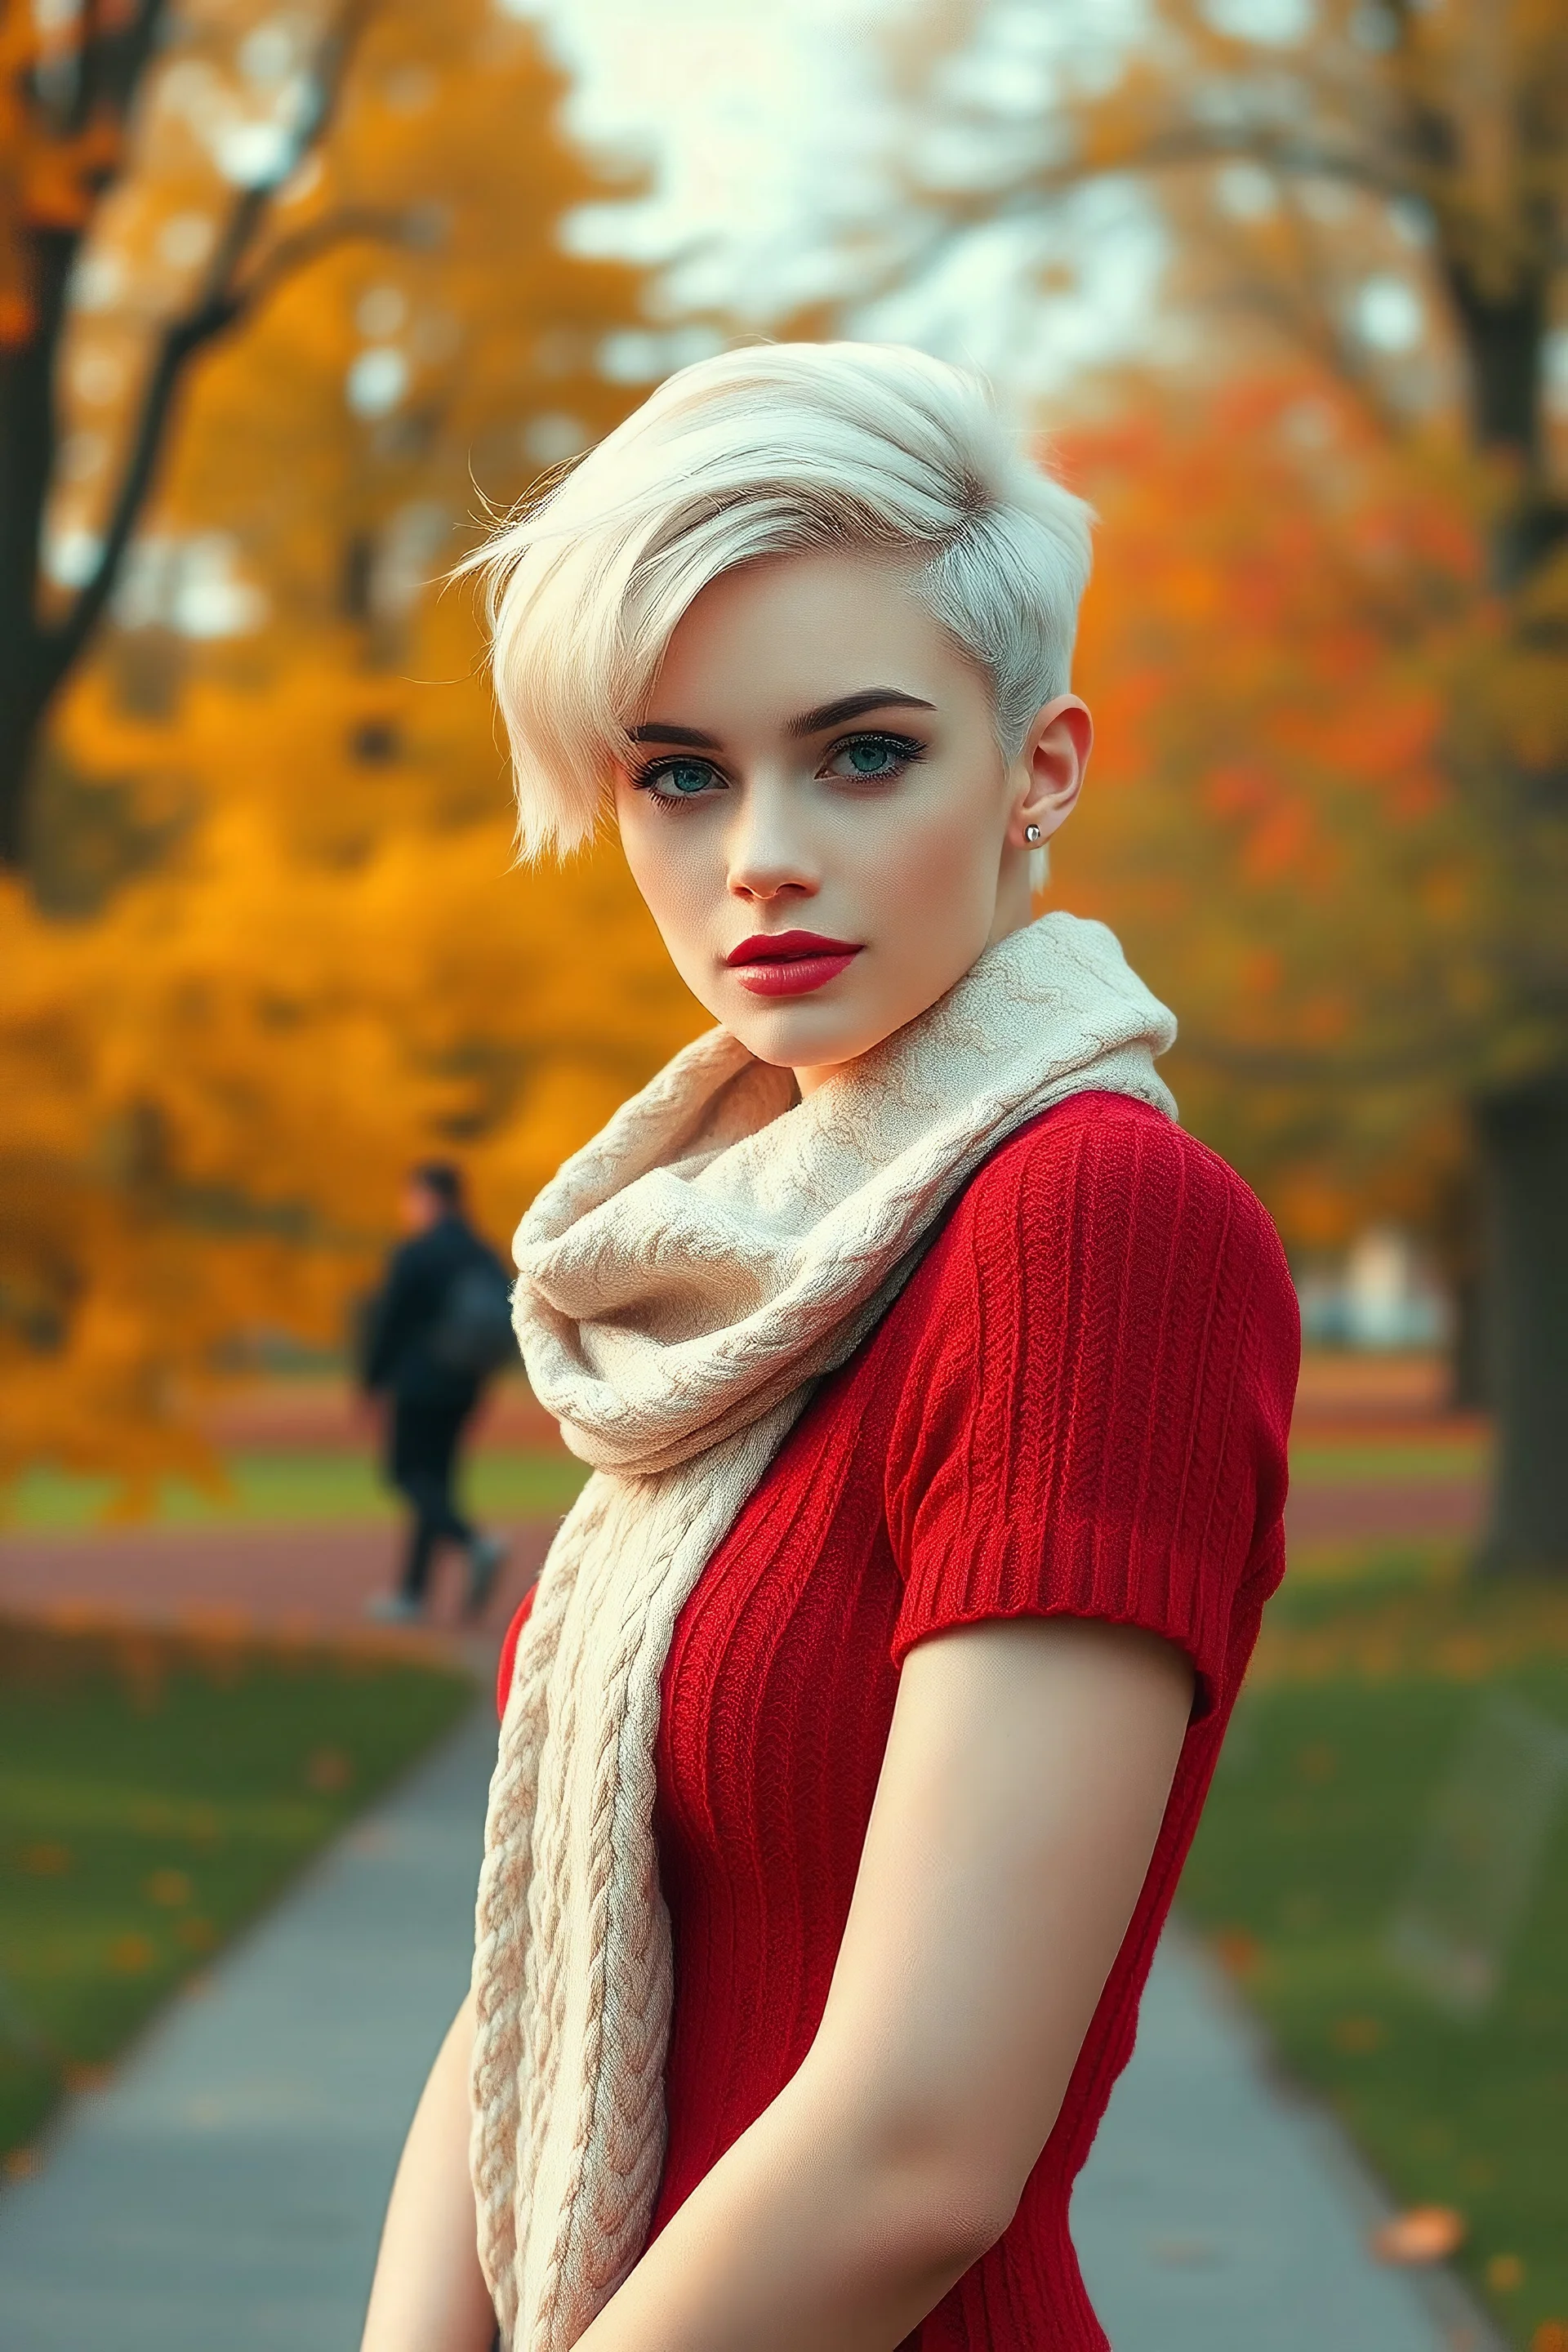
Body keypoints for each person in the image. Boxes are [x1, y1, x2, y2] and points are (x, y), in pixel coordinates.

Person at [360, 344, 1298, 2352]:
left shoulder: (1089, 1233)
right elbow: (541, 1966)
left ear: (1037, 767)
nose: (757, 851)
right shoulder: (734, 1265)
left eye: (861, 751)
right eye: (678, 771)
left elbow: (917, 2146)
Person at [361, 1160, 510, 1625]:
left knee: (405, 1474)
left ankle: (473, 1543)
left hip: (418, 1382)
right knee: (437, 1482)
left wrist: (372, 1379)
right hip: (464, 1384)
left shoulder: (417, 1253)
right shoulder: (483, 1253)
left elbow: (391, 1322)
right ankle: (411, 1595)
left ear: (427, 1197)